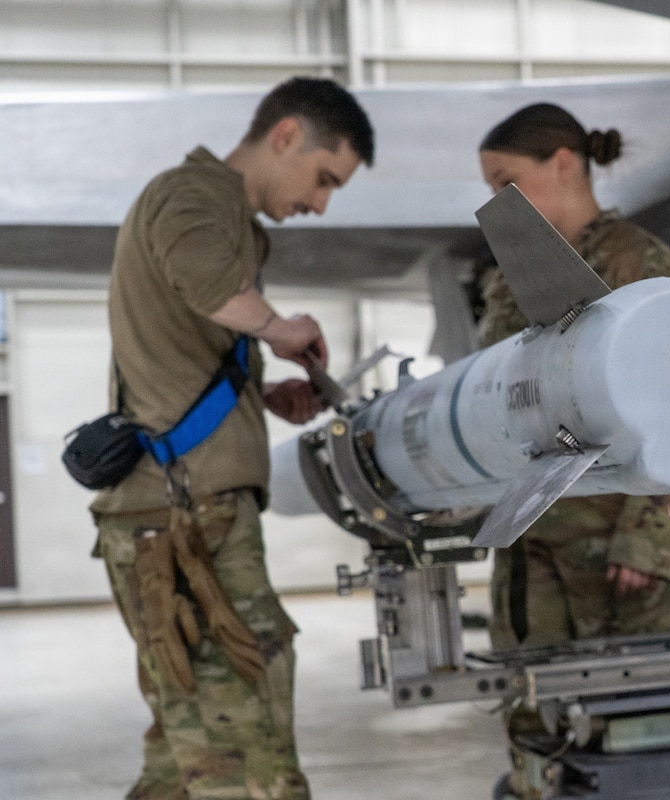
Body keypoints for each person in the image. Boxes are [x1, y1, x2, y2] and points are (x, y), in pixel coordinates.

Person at [89, 76, 374, 800]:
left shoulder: (224, 218)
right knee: (246, 739)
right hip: (182, 519)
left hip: (184, 512)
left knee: (188, 745)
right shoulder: (191, 196)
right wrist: (282, 329)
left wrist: (263, 392)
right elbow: (200, 281)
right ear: (285, 136)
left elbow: (192, 340)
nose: (319, 203)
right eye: (323, 178)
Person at [476, 102, 670, 649]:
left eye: (507, 182)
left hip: (615, 558)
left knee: (629, 712)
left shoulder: (637, 264)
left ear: (563, 164)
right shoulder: (509, 280)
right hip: (535, 543)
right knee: (534, 708)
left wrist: (647, 540)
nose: (496, 202)